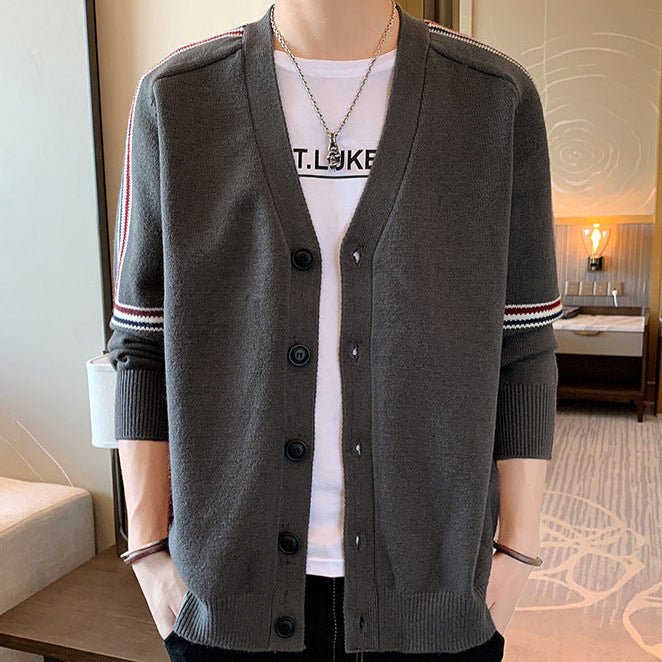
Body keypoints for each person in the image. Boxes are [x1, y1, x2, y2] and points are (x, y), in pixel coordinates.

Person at [108, 1, 562, 661]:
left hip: (433, 599)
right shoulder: (177, 98)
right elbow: (140, 343)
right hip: (228, 598)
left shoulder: (493, 99)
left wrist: (518, 549)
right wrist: (149, 551)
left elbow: (524, 344)